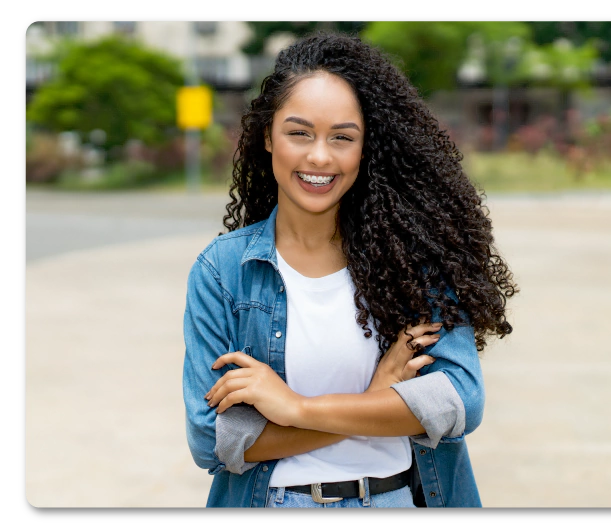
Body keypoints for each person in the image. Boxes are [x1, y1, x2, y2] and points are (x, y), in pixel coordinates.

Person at [182, 30, 518, 508]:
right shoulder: (223, 271)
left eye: (342, 137)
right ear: (267, 137)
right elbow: (213, 440)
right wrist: (378, 400)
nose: (320, 156)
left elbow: (458, 401)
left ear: (365, 149)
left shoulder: (414, 259)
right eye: (299, 133)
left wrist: (295, 408)